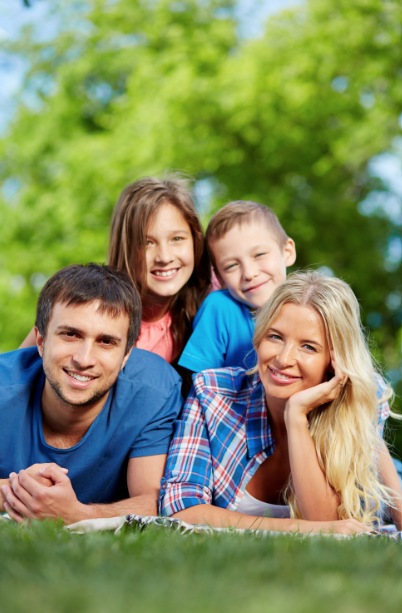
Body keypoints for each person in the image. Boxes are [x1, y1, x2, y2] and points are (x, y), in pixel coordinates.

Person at [160, 271, 402, 534]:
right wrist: (292, 527)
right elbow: (180, 507)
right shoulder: (214, 393)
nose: (283, 359)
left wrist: (296, 416)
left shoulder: (360, 400)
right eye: (275, 336)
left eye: (308, 347)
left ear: (335, 362)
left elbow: (328, 524)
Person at [1, 263, 183, 525]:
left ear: (126, 356)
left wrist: (78, 515)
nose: (84, 359)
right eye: (71, 335)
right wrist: (20, 490)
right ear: (41, 342)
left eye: (106, 342)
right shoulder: (4, 387)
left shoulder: (154, 390)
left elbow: (154, 500)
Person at [20, 175, 212, 368]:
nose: (164, 256)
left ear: (195, 241)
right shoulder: (86, 305)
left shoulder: (211, 307)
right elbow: (12, 372)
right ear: (125, 248)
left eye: (177, 239)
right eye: (147, 243)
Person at [178, 200, 296, 374]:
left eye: (259, 254)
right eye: (231, 266)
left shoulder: (308, 309)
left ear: (287, 252)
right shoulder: (219, 308)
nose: (249, 273)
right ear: (220, 277)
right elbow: (198, 382)